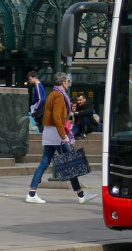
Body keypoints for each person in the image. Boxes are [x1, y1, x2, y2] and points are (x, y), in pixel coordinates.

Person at [26, 72, 89, 204]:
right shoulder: (59, 96)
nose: (68, 83)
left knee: (45, 162)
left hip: (49, 132)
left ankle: (32, 192)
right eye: (66, 81)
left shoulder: (52, 94)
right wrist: (63, 135)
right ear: (62, 82)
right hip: (57, 134)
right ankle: (81, 194)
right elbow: (56, 118)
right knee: (70, 163)